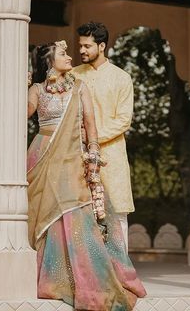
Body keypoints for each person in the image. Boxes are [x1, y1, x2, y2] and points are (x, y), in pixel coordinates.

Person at [27, 40, 146, 311]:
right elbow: (24, 114)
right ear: (49, 61)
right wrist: (22, 85)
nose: (69, 57)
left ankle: (82, 280)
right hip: (43, 154)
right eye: (63, 54)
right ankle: (48, 279)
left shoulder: (79, 87)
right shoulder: (36, 89)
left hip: (73, 158)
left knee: (76, 215)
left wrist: (92, 156)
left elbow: (90, 126)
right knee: (44, 215)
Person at [73, 22, 134, 252]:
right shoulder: (73, 75)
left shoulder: (121, 78)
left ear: (102, 46)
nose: (82, 51)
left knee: (117, 214)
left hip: (112, 155)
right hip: (78, 154)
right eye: (81, 46)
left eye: (87, 46)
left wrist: (94, 138)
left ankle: (122, 275)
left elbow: (123, 120)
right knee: (82, 214)